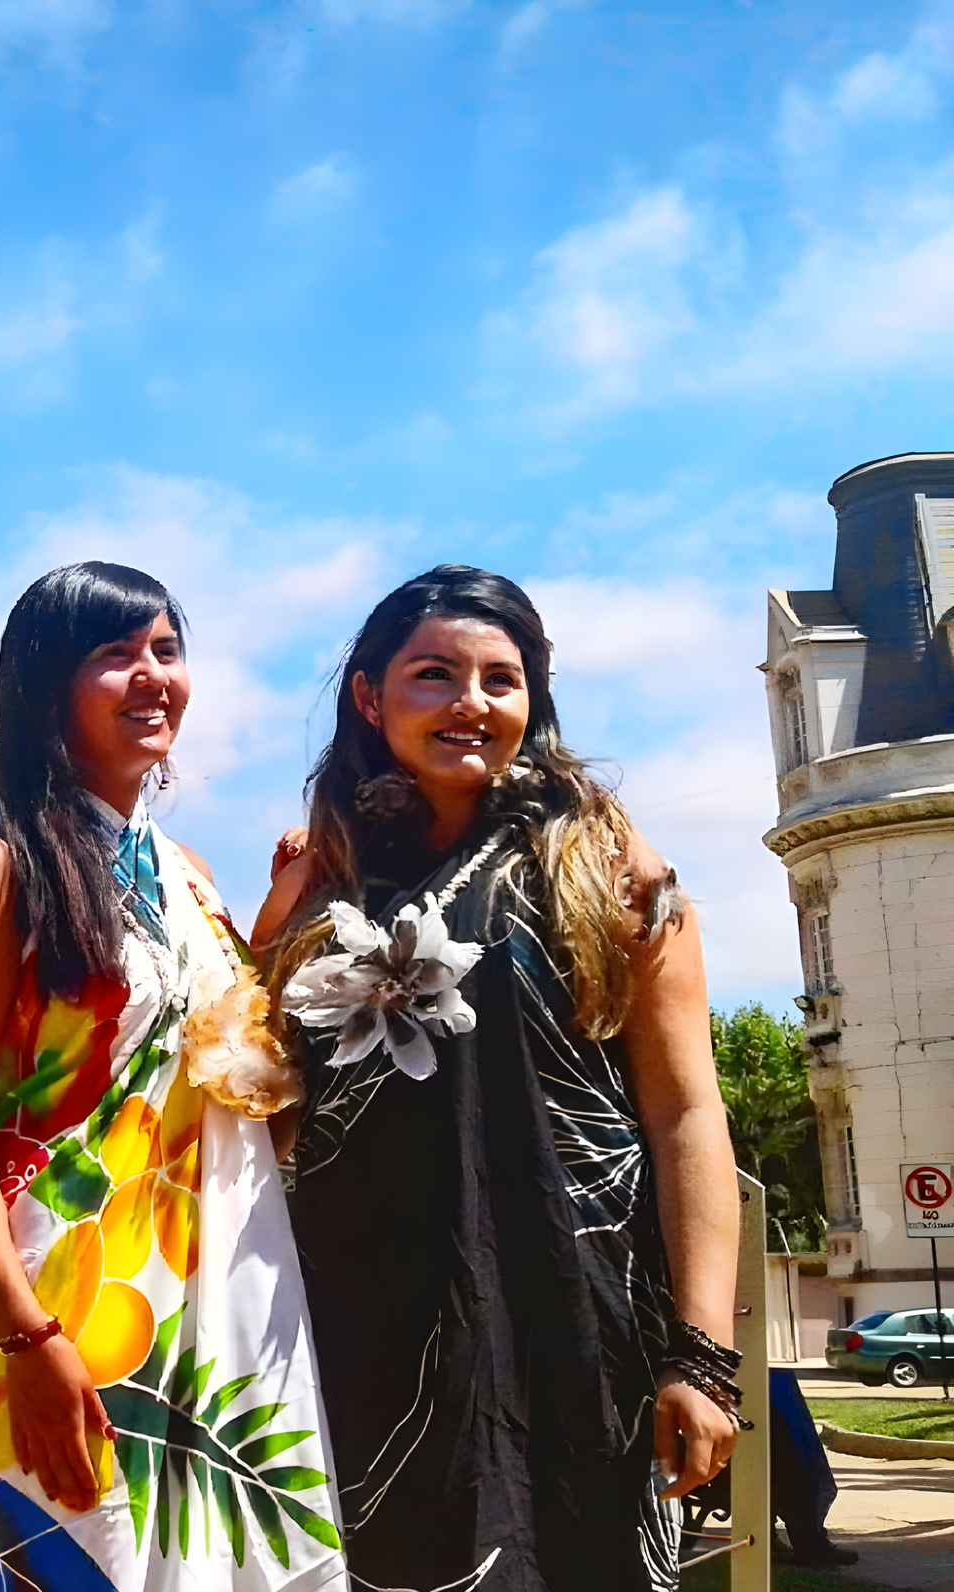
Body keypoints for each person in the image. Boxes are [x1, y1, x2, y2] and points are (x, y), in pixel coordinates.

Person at [252, 565, 743, 1592]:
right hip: (359, 1343)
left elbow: (687, 1111)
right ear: (369, 695)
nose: (471, 702)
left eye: (501, 679)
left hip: (574, 1334)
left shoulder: (612, 873)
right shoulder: (320, 880)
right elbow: (261, 1103)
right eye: (434, 675)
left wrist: (702, 1357)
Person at [0, 562, 347, 1592]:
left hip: (221, 1294)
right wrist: (26, 1334)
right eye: (116, 653)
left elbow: (230, 1068)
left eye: (166, 650)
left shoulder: (188, 869)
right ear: (44, 686)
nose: (153, 675)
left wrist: (280, 915)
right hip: (69, 1304)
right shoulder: (1, 867)